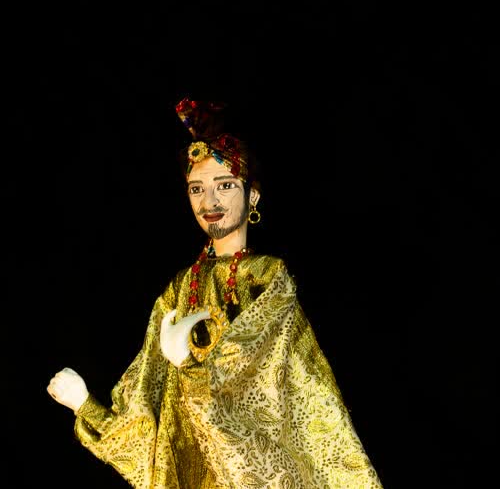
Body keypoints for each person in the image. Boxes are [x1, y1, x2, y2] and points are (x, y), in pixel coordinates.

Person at [47, 97, 383, 488]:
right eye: (197, 189)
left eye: (225, 185)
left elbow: (257, 390)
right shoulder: (179, 290)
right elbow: (149, 429)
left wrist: (188, 364)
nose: (209, 202)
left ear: (252, 195)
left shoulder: (267, 278)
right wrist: (85, 404)